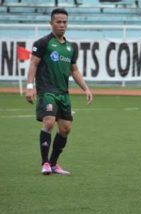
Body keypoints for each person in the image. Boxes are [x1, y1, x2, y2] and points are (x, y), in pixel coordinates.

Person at [25, 8, 93, 175]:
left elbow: (74, 70)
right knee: (49, 122)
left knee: (65, 128)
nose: (62, 25)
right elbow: (33, 63)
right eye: (58, 22)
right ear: (51, 23)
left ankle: (54, 164)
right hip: (47, 90)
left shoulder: (71, 47)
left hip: (64, 93)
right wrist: (29, 87)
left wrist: (86, 88)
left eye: (64, 22)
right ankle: (45, 163)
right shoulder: (43, 43)